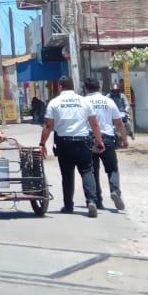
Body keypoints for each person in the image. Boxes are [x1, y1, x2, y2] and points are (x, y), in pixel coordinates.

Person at [39, 76, 105, 218]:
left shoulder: (54, 103)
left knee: (67, 174)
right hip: (83, 142)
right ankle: (92, 201)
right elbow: (94, 124)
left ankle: (68, 205)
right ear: (72, 86)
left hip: (64, 143)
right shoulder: (84, 101)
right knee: (87, 171)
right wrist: (99, 141)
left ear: (60, 87)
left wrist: (42, 144)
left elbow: (48, 126)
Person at [84, 79, 129, 211]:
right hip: (108, 139)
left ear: (86, 89)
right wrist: (125, 139)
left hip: (89, 139)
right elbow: (119, 123)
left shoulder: (83, 102)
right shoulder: (109, 101)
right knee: (112, 168)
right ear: (100, 87)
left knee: (92, 171)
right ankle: (115, 191)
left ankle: (97, 201)